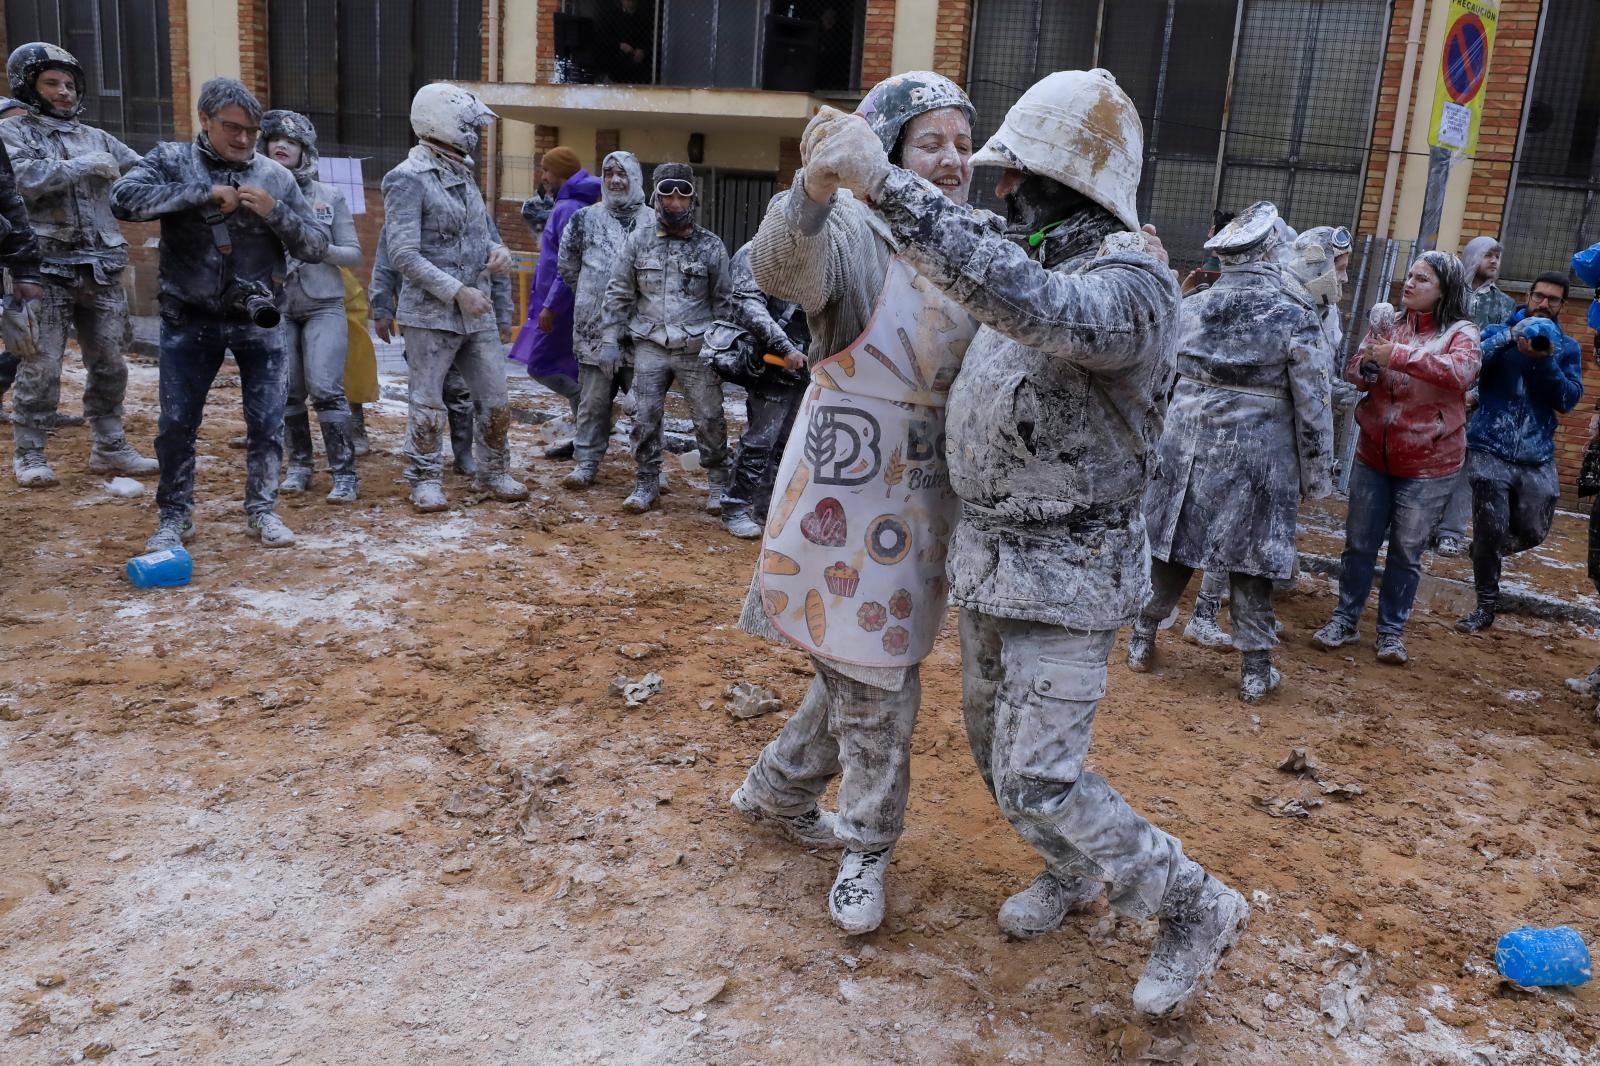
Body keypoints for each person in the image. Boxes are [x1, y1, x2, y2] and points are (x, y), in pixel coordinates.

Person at [803, 67, 1250, 1019]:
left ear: (1075, 184)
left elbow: (1029, 301)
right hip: (993, 564)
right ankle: (1074, 873)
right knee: (1000, 761)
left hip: (1072, 576)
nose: (999, 188)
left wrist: (888, 182)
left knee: (1044, 773)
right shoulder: (1044, 251)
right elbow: (987, 260)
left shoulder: (1127, 287)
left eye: (1020, 174)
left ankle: (1194, 905)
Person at [730, 70, 982, 937]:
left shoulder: (974, 241)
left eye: (961, 141)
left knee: (862, 662)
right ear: (890, 152)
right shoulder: (854, 231)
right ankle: (869, 844)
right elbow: (776, 266)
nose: (952, 159)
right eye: (930, 142)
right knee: (879, 683)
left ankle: (775, 788)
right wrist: (811, 188)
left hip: (925, 498)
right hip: (846, 485)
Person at [111, 78, 329, 551]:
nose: (244, 138)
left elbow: (315, 245)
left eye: (252, 129)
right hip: (188, 317)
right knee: (176, 425)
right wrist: (202, 193)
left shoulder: (276, 177)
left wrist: (276, 213)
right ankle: (174, 517)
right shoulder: (172, 160)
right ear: (205, 121)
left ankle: (262, 512)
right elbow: (123, 199)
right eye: (232, 127)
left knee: (267, 422)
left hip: (260, 317)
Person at [1128, 201, 1333, 703]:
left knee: (1170, 545)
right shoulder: (1294, 314)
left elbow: (1155, 382)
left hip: (1184, 442)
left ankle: (1141, 637)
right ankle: (1255, 670)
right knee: (1251, 559)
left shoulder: (1191, 304)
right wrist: (1318, 477)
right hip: (1257, 455)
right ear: (1270, 251)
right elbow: (1314, 402)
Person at [1182, 223, 1353, 650]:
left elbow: (1321, 377)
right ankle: (1203, 615)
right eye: (1340, 268)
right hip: (1254, 439)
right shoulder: (1288, 302)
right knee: (1237, 533)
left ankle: (1249, 620)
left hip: (1279, 439)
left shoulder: (1321, 308)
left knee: (1257, 537)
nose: (1344, 278)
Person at [1310, 252, 1481, 664]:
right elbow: (1355, 369)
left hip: (1429, 464)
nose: (1409, 284)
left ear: (1444, 291)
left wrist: (1398, 357)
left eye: (1422, 280)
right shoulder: (1392, 327)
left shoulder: (1462, 332)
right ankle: (1345, 618)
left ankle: (1390, 632)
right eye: (1410, 276)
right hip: (1374, 456)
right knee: (1359, 545)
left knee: (1406, 551)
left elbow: (1461, 373)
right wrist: (1367, 365)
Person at [1, 43, 154, 487]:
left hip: (102, 267)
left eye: (69, 84)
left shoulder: (97, 136)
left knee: (110, 362)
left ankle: (109, 446)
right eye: (52, 83)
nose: (64, 92)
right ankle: (29, 452)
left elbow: (140, 174)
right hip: (44, 270)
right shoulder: (12, 134)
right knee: (40, 364)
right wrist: (81, 166)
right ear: (28, 85)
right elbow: (22, 180)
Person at [382, 83, 525, 513]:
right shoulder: (407, 178)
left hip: (475, 311)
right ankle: (424, 478)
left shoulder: (464, 174)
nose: (474, 133)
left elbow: (485, 236)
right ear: (440, 121)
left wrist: (499, 253)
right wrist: (456, 291)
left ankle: (494, 470)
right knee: (427, 399)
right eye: (467, 124)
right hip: (431, 313)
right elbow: (402, 253)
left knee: (495, 397)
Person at [597, 162, 730, 514]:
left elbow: (725, 304)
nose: (674, 202)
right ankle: (646, 482)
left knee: (709, 417)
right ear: (655, 197)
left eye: (681, 194)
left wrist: (721, 350)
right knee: (644, 416)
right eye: (666, 193)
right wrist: (610, 340)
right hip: (650, 344)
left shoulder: (710, 247)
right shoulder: (638, 242)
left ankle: (718, 484)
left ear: (693, 200)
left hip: (696, 348)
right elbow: (619, 293)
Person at [1455, 272, 1582, 633]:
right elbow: (1471, 364)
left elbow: (1568, 400)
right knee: (1491, 525)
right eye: (1539, 296)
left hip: (1537, 452)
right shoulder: (1498, 332)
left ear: (1562, 305)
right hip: (1488, 446)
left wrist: (1545, 361)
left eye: (1552, 299)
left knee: (1534, 531)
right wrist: (1511, 338)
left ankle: (1483, 550)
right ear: (1526, 295)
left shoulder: (1568, 348)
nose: (1543, 304)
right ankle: (1485, 606)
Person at [259, 110, 363, 503]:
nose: (282, 146)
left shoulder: (329, 197)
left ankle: (344, 473)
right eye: (274, 140)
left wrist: (316, 249)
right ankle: (300, 466)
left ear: (306, 150)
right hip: (277, 304)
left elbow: (353, 254)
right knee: (288, 391)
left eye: (292, 141)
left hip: (323, 304)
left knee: (325, 388)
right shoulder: (253, 195)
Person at [557, 150, 654, 489]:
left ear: (635, 178)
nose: (615, 180)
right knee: (593, 403)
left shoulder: (653, 223)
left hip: (641, 333)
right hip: (593, 331)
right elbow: (567, 267)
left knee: (645, 405)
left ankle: (650, 469)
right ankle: (585, 462)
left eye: (622, 173)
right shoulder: (584, 219)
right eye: (608, 172)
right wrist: (593, 295)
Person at [716, 238, 809, 539]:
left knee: (788, 441)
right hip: (773, 358)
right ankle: (736, 505)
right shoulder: (759, 250)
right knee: (761, 439)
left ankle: (766, 506)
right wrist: (783, 346)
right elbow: (746, 302)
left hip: (811, 358)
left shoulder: (824, 251)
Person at [507, 145, 596, 458]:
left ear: (561, 171)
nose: (543, 177)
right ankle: (583, 436)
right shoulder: (569, 205)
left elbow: (567, 265)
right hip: (558, 305)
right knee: (568, 369)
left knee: (539, 365)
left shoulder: (568, 207)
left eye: (547, 170)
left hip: (560, 307)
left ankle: (593, 411)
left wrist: (551, 306)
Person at [369, 229, 479, 477]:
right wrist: (382, 309)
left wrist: (502, 313)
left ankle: (463, 455)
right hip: (419, 316)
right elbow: (384, 268)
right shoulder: (400, 224)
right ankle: (423, 457)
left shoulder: (466, 214)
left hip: (461, 316)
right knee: (424, 392)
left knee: (460, 391)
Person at [1434, 235, 1516, 555]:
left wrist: (1478, 394)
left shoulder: (1505, 306)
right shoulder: (1448, 298)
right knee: (1432, 458)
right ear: (1472, 257)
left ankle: (1450, 531)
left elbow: (1502, 360)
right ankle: (1421, 522)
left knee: (1467, 466)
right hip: (1439, 391)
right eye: (1488, 255)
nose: (1494, 261)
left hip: (1478, 399)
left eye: (1497, 256)